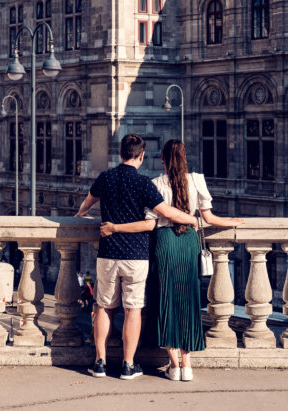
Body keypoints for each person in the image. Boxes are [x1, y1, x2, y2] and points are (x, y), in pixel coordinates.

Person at [101, 139, 243, 382]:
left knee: (164, 299)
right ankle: (187, 365)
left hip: (164, 241)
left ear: (163, 160)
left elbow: (151, 220)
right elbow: (207, 217)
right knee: (188, 299)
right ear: (185, 158)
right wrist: (231, 222)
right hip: (188, 242)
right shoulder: (197, 180)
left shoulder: (155, 183)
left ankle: (174, 364)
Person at [75, 133, 196, 380]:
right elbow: (164, 213)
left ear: (120, 154)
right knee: (133, 310)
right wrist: (192, 219)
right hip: (136, 257)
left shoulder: (105, 178)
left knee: (104, 308)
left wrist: (81, 214)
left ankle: (100, 363)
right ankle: (128, 366)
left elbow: (87, 202)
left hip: (108, 253)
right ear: (141, 156)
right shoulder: (144, 184)